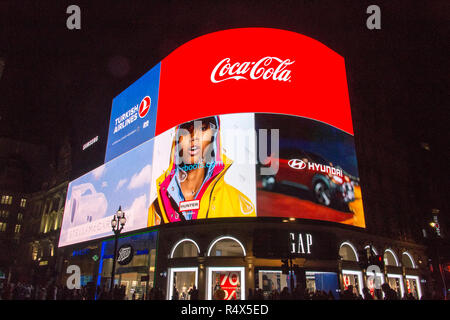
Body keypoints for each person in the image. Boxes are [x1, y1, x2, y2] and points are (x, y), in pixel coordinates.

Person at [148, 116, 256, 227]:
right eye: (186, 130)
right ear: (177, 139)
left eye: (203, 128)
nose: (194, 136)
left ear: (214, 137)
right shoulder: (156, 208)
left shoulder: (240, 205)